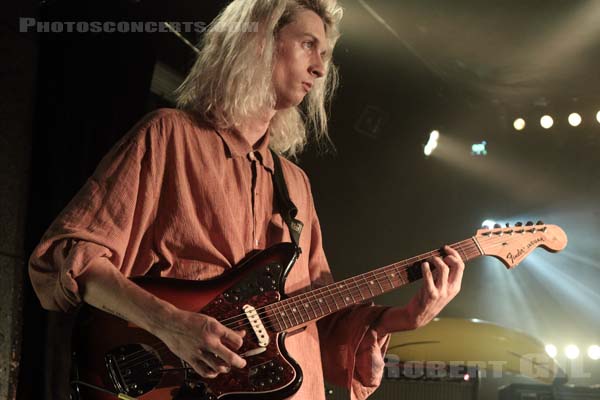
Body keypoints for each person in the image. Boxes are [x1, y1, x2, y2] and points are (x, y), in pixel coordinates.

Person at [28, 0, 465, 399]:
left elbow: (320, 316)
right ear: (258, 41)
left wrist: (401, 319)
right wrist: (171, 323)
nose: (319, 67)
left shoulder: (295, 184)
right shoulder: (169, 137)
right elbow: (71, 258)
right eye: (308, 45)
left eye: (326, 55)